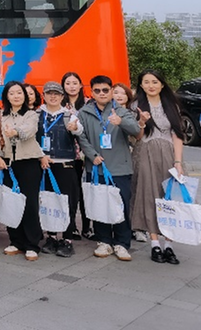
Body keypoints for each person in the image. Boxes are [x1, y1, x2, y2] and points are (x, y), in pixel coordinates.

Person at [75, 75, 141, 261]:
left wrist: (121, 122)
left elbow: (136, 131)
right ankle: (103, 241)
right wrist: (92, 155)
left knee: (121, 206)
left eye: (105, 90)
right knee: (100, 205)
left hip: (119, 167)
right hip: (96, 167)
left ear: (111, 91)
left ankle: (122, 243)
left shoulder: (121, 111)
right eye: (97, 90)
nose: (102, 93)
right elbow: (81, 137)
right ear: (92, 92)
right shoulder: (85, 112)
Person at [131, 70, 187, 265]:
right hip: (145, 154)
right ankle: (155, 243)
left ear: (162, 84)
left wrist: (178, 162)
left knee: (170, 198)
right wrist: (141, 122)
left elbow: (177, 135)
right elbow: (137, 137)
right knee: (149, 196)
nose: (151, 85)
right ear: (141, 85)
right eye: (146, 82)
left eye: (154, 82)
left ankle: (169, 244)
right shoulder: (136, 105)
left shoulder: (172, 106)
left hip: (170, 155)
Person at [0, 81, 43, 261]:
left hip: (28, 162)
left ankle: (32, 244)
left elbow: (29, 130)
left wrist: (15, 131)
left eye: (19, 93)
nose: (16, 96)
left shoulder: (31, 114)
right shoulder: (0, 116)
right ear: (6, 97)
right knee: (11, 202)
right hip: (8, 163)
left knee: (30, 203)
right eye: (12, 93)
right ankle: (16, 240)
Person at [38, 81, 79, 257]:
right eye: (49, 93)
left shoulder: (69, 115)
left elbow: (79, 131)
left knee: (67, 202)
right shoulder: (37, 115)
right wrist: (40, 155)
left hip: (65, 165)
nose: (53, 97)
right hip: (45, 165)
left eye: (56, 94)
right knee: (48, 202)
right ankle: (51, 236)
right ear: (44, 96)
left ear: (62, 97)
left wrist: (75, 128)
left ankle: (67, 239)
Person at [62, 71, 91, 239]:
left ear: (80, 85)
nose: (71, 86)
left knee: (85, 192)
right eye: (68, 83)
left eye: (75, 83)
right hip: (68, 155)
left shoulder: (88, 104)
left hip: (86, 153)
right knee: (71, 193)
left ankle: (87, 227)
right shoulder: (60, 105)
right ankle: (71, 226)